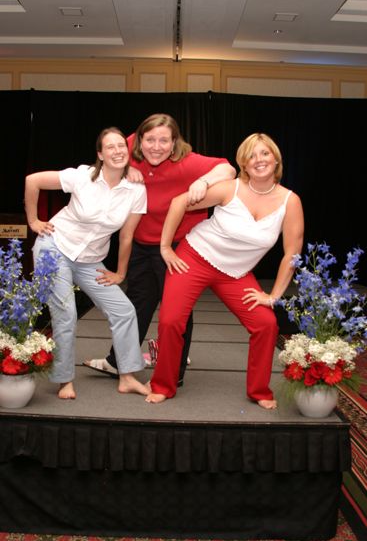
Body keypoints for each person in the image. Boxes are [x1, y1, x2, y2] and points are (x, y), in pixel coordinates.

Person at [145, 132, 304, 409]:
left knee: (266, 324)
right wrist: (166, 248)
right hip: (194, 258)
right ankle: (163, 385)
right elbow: (179, 202)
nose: (259, 160)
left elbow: (292, 253)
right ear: (243, 163)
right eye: (251, 155)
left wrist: (273, 295)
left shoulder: (290, 201)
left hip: (236, 273)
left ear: (276, 159)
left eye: (264, 153)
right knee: (171, 321)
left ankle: (259, 390)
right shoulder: (230, 188)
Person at [84, 113, 236, 386]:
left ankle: (173, 372)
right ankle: (118, 362)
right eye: (150, 139)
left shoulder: (189, 163)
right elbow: (114, 148)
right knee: (137, 305)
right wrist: (127, 163)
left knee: (177, 311)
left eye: (164, 140)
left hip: (177, 246)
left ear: (175, 142)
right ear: (139, 140)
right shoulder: (131, 144)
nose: (156, 146)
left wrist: (203, 181)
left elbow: (228, 169)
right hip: (141, 244)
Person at [24, 127, 149, 400]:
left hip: (91, 259)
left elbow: (127, 235)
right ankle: (64, 380)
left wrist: (120, 273)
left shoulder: (136, 190)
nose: (117, 151)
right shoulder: (81, 177)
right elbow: (32, 181)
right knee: (66, 313)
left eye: (121, 146)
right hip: (55, 247)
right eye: (110, 147)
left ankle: (126, 376)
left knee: (124, 310)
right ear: (100, 154)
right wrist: (33, 221)